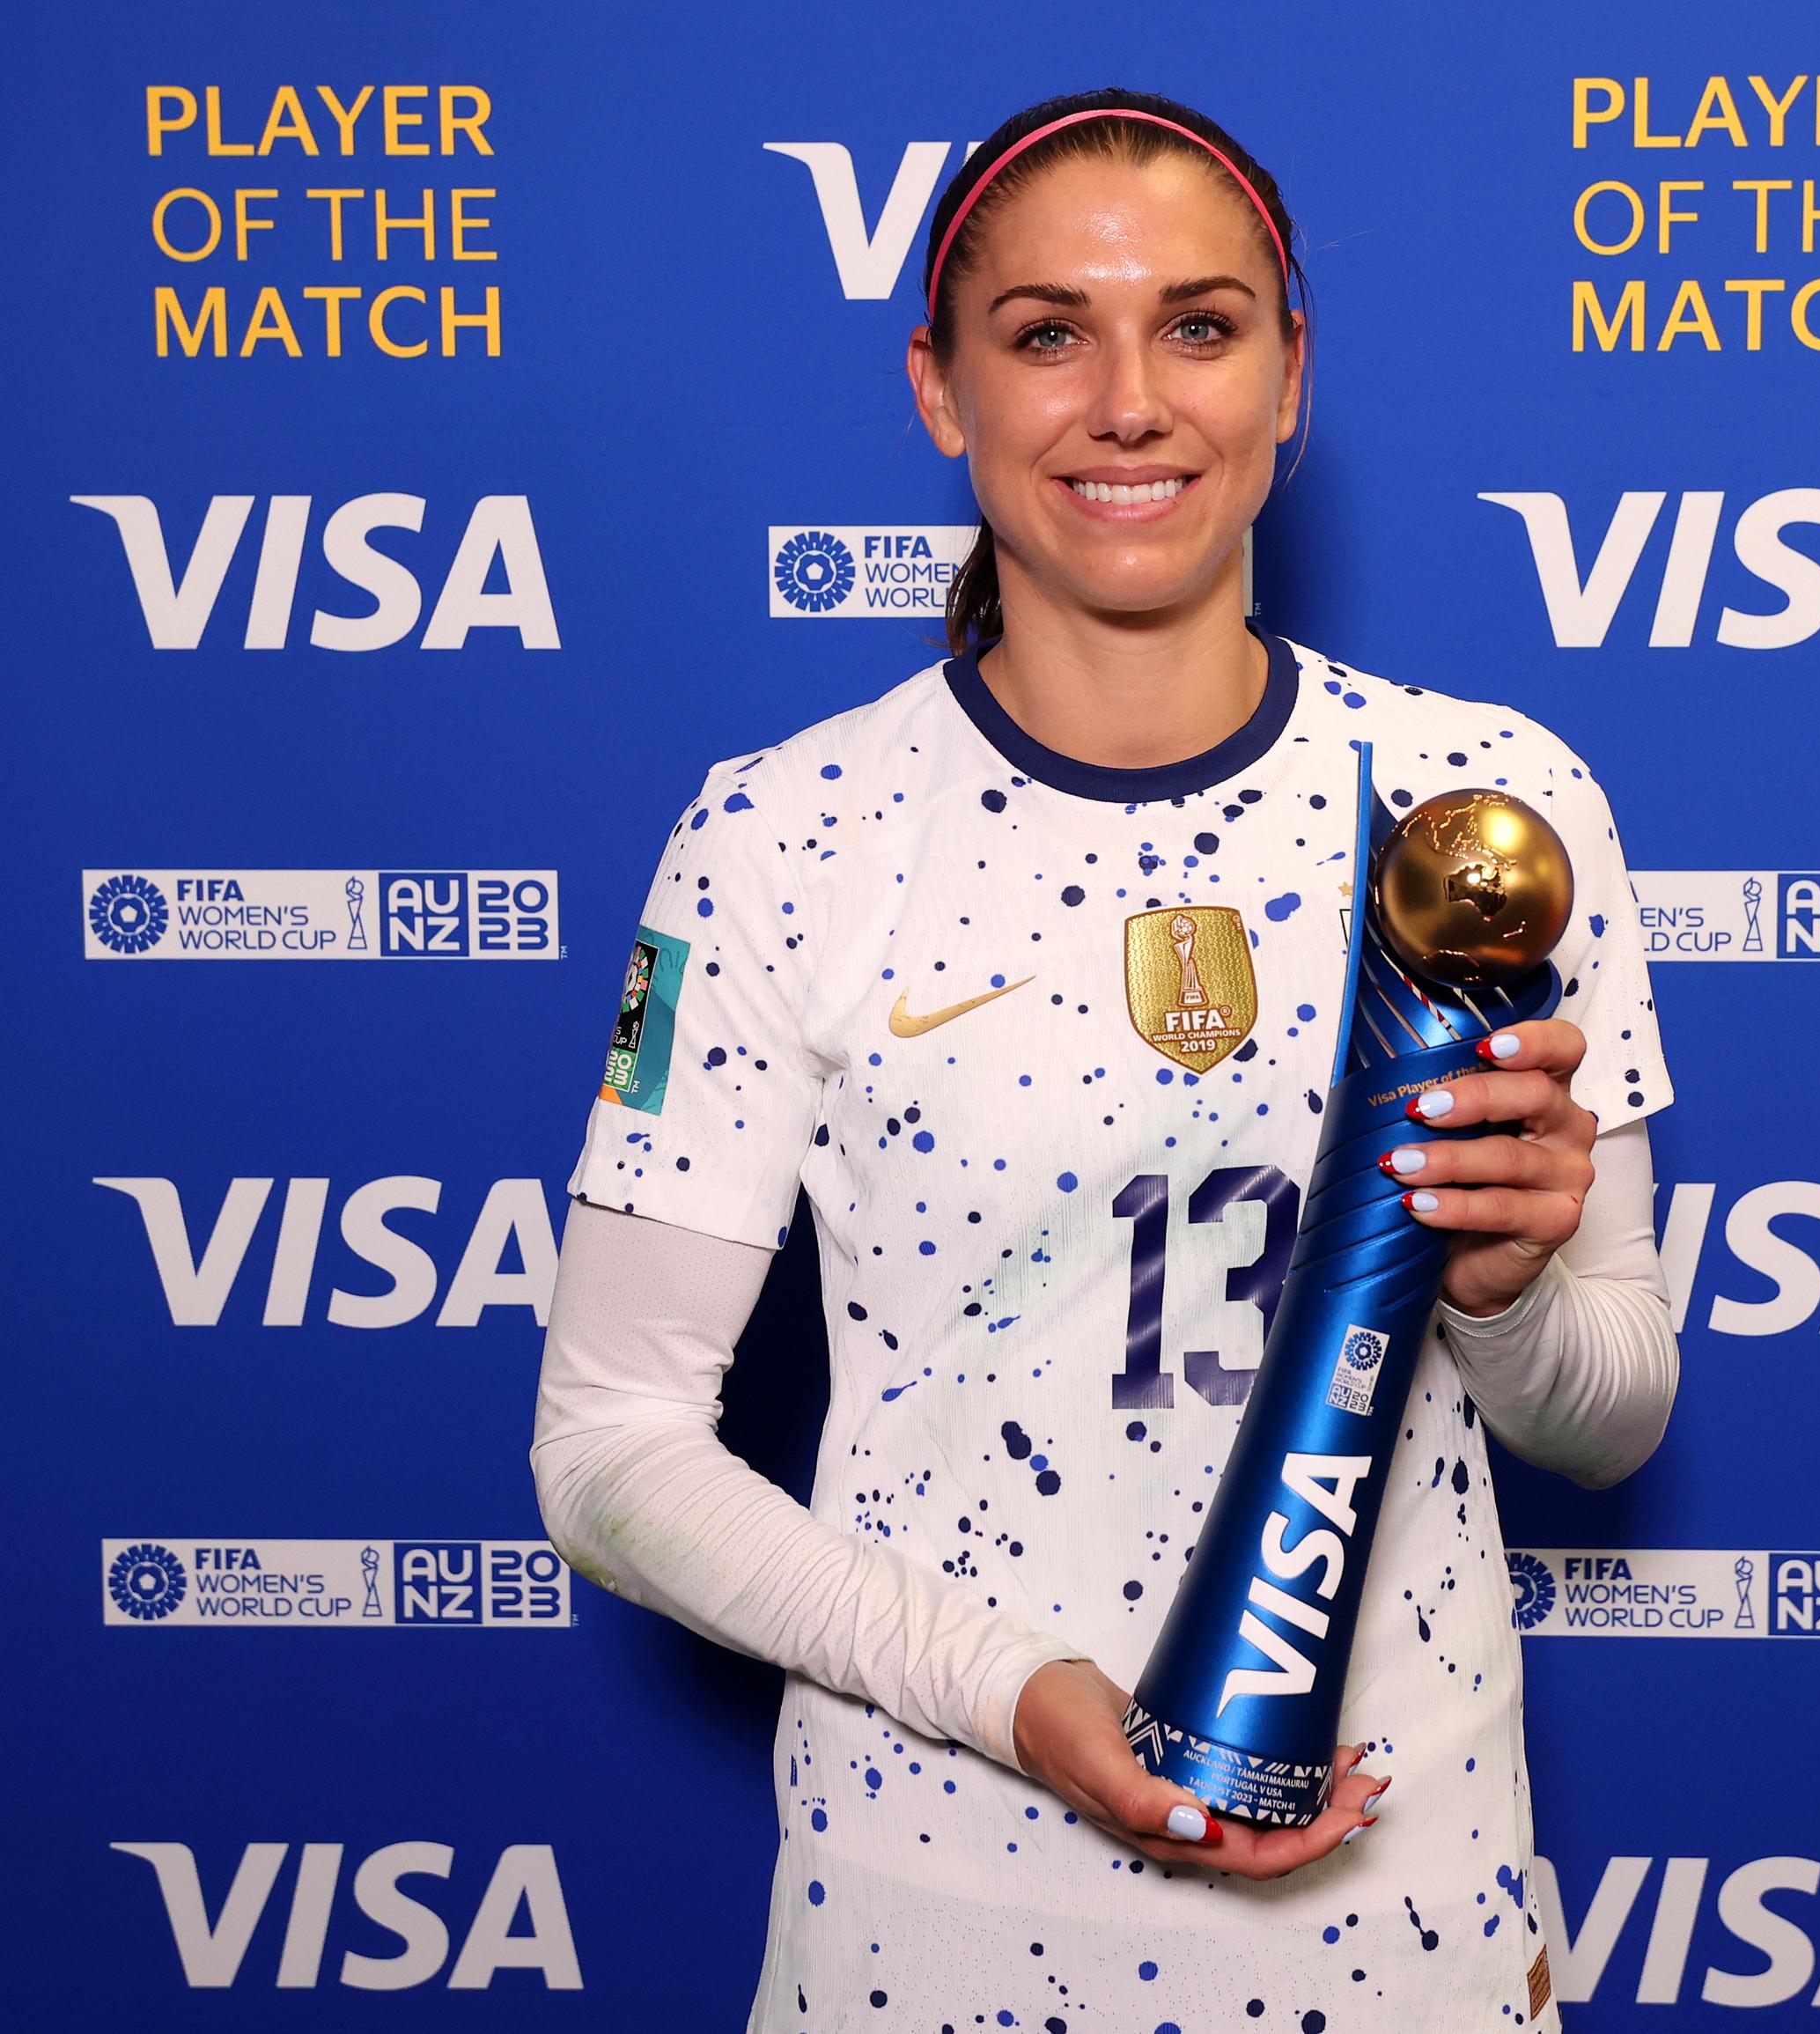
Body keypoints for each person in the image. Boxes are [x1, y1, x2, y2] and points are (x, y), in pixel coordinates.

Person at [533, 85, 1677, 2032]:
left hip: (1410, 1932)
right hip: (929, 1928)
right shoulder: (781, 834)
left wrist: (1496, 1297)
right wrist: (1024, 1698)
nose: (1129, 402)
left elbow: (1610, 1412)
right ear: (937, 389)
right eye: (1049, 332)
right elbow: (611, 1452)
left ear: (1291, 377)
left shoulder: (1493, 805)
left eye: (1202, 327)